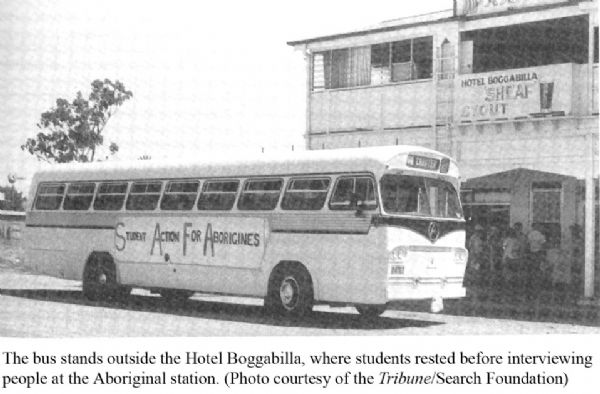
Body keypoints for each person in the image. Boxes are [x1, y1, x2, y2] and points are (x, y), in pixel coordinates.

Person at [465, 224, 485, 294]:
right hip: (475, 256)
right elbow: (471, 248)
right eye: (479, 231)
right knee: (474, 270)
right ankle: (473, 284)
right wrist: (474, 256)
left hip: (479, 255)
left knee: (477, 270)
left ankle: (475, 284)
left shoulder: (480, 238)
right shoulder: (473, 238)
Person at [527, 223, 547, 291]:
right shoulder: (541, 235)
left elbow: (527, 243)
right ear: (537, 226)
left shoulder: (530, 234)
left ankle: (532, 284)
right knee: (540, 268)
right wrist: (544, 255)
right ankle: (539, 284)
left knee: (533, 268)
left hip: (531, 252)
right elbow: (543, 245)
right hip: (539, 252)